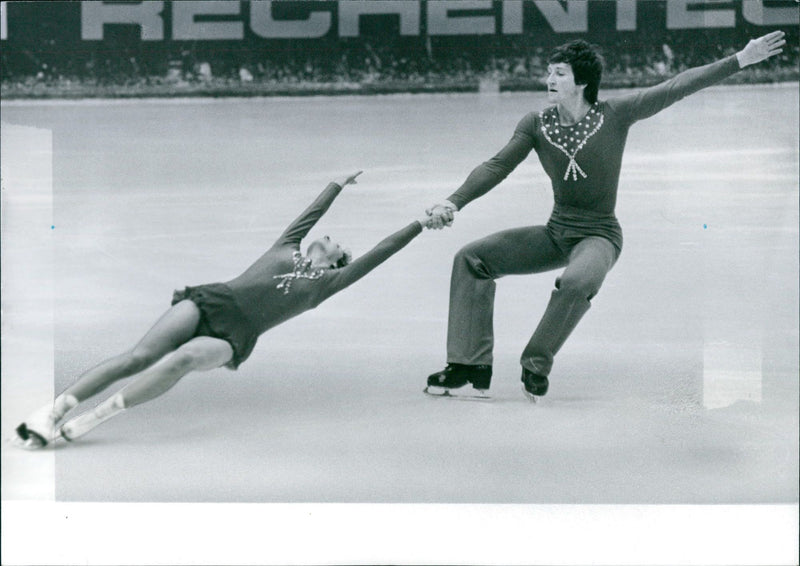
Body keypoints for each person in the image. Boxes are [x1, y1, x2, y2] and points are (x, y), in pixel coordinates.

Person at [423, 31, 786, 401]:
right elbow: (497, 165)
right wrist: (453, 202)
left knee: (578, 281)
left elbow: (675, 86)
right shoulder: (536, 124)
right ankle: (469, 366)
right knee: (472, 258)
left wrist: (739, 59)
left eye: (560, 73)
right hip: (555, 233)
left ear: (581, 81)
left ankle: (535, 362)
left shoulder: (614, 114)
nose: (549, 79)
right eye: (549, 71)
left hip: (599, 237)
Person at [15, 171, 436, 448]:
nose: (329, 236)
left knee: (182, 359)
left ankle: (97, 417)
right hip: (214, 300)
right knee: (139, 356)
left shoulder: (327, 284)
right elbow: (309, 215)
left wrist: (419, 224)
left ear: (340, 258)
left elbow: (382, 251)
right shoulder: (286, 246)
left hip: (236, 335)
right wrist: (336, 185)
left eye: (338, 241)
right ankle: (54, 410)